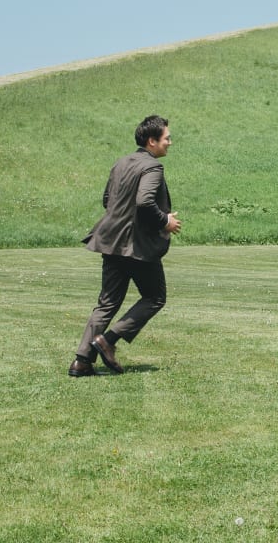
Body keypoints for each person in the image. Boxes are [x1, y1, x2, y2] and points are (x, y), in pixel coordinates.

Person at [68, 115, 182, 377]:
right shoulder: (152, 167)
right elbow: (144, 202)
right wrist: (165, 221)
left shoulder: (121, 163)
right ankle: (108, 340)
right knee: (155, 297)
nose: (170, 143)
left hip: (110, 242)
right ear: (152, 141)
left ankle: (82, 361)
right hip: (137, 247)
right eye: (167, 138)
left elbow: (108, 199)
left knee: (106, 304)